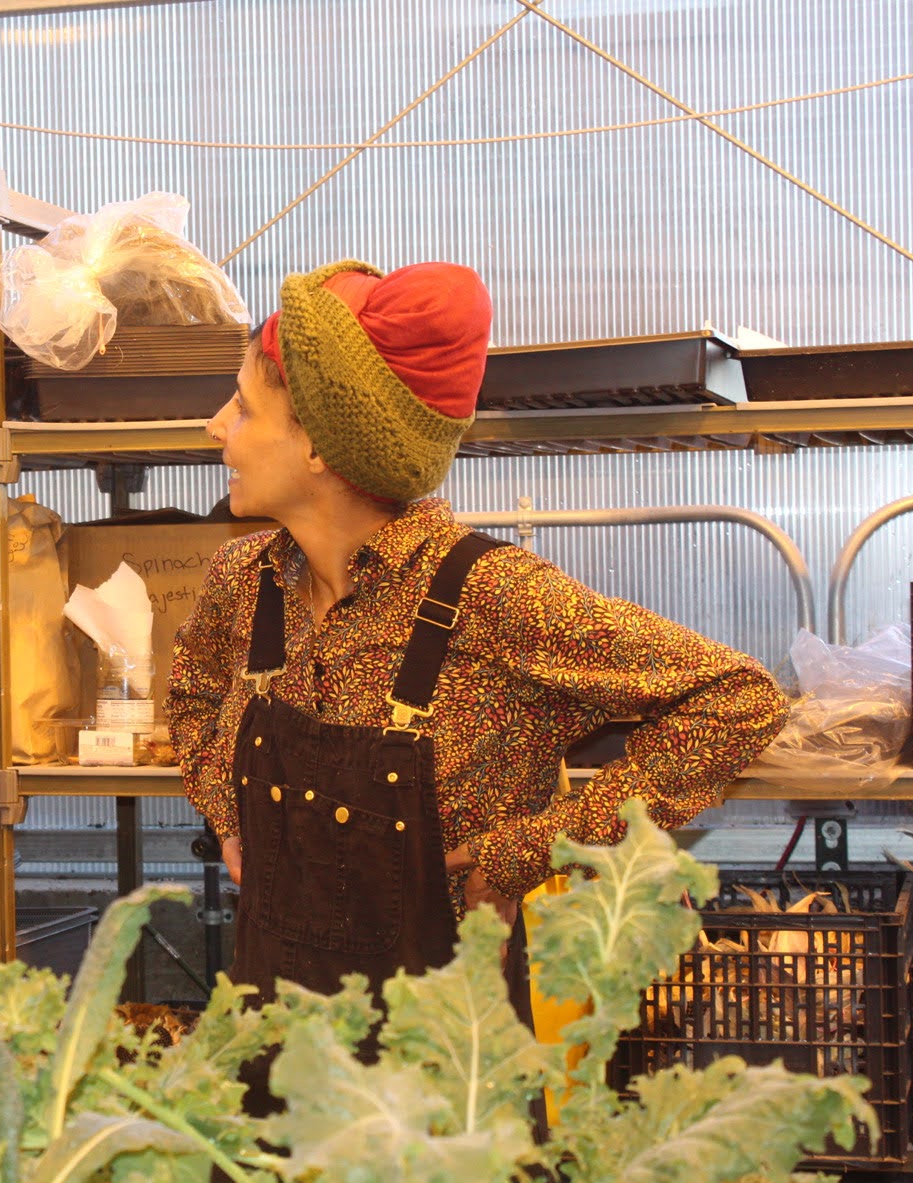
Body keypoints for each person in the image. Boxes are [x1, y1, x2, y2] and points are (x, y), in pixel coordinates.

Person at [167, 258, 788, 1011]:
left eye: (242, 408)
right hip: (275, 1044)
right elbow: (193, 698)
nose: (214, 428)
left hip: (454, 1069)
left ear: (320, 446)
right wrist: (229, 810)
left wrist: (526, 850)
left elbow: (738, 700)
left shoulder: (488, 595)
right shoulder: (245, 583)